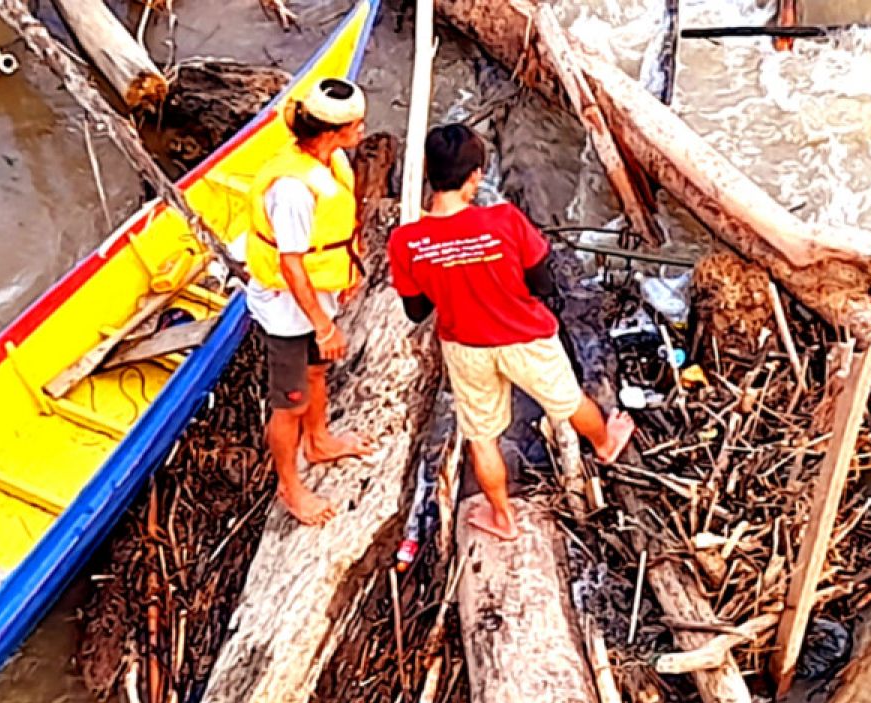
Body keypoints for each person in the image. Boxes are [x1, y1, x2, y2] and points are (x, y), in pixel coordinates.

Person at [388, 123, 635, 540]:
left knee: (482, 437)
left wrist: (448, 279)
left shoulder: (407, 241)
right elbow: (542, 283)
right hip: (526, 335)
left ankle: (502, 517)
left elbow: (416, 311)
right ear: (475, 177)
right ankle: (605, 444)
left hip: (465, 344)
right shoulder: (504, 219)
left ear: (430, 173)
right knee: (568, 399)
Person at [245, 78, 375, 525]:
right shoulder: (293, 192)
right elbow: (291, 266)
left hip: (318, 295)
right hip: (288, 310)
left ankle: (318, 441)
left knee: (317, 371)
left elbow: (335, 227)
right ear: (331, 131)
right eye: (356, 124)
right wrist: (323, 324)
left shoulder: (331, 161)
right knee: (290, 401)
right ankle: (289, 485)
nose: (362, 129)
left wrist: (348, 271)